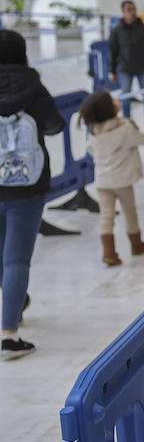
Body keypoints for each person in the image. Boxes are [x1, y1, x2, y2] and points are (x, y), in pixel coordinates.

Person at [0, 30, 65, 359]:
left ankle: (14, 302)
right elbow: (55, 125)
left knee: (2, 256)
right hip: (28, 184)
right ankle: (9, 334)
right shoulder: (33, 86)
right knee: (16, 259)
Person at [79, 90, 144, 266]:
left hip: (103, 181)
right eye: (113, 100)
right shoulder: (124, 129)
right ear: (109, 109)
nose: (117, 100)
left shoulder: (94, 131)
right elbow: (143, 138)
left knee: (106, 216)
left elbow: (91, 149)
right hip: (122, 181)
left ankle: (109, 252)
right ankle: (136, 244)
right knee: (129, 212)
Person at [108, 0, 144, 127]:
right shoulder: (117, 31)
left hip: (143, 68)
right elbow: (113, 51)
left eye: (133, 9)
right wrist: (112, 70)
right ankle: (127, 121)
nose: (132, 12)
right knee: (126, 96)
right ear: (123, 12)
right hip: (124, 69)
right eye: (129, 9)